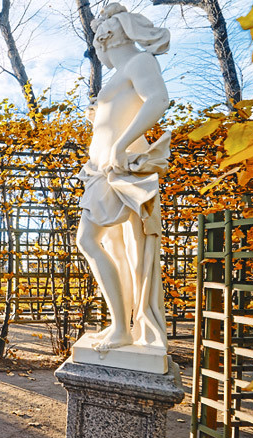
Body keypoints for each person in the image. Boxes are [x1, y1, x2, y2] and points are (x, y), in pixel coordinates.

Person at [76, 3, 170, 352]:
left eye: (97, 48)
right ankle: (121, 326)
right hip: (102, 171)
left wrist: (120, 143)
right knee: (118, 249)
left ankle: (122, 328)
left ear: (106, 39)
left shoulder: (139, 62)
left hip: (120, 168)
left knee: (89, 241)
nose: (98, 57)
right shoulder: (122, 71)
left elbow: (158, 100)